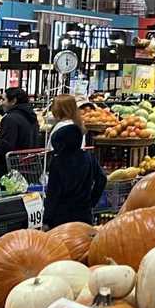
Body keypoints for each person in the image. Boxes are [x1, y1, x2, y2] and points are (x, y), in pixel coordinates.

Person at [43, 95, 106, 227]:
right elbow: (102, 179)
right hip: (84, 213)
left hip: (61, 216)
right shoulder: (89, 157)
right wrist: (91, 201)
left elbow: (53, 193)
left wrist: (47, 220)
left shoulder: (58, 162)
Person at [0, 87, 40, 176]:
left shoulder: (10, 118)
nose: (0, 103)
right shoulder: (31, 117)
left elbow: (6, 147)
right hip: (28, 167)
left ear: (13, 101)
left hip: (11, 169)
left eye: (3, 99)